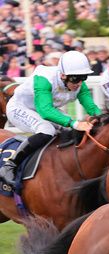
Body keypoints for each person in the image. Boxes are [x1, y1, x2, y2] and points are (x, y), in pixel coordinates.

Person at [1, 50, 100, 186]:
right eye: (75, 78)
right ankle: (10, 165)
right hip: (20, 108)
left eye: (83, 77)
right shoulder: (44, 78)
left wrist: (102, 118)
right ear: (63, 75)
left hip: (46, 109)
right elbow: (45, 111)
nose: (79, 82)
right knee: (47, 130)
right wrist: (75, 123)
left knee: (68, 131)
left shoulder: (78, 83)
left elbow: (91, 107)